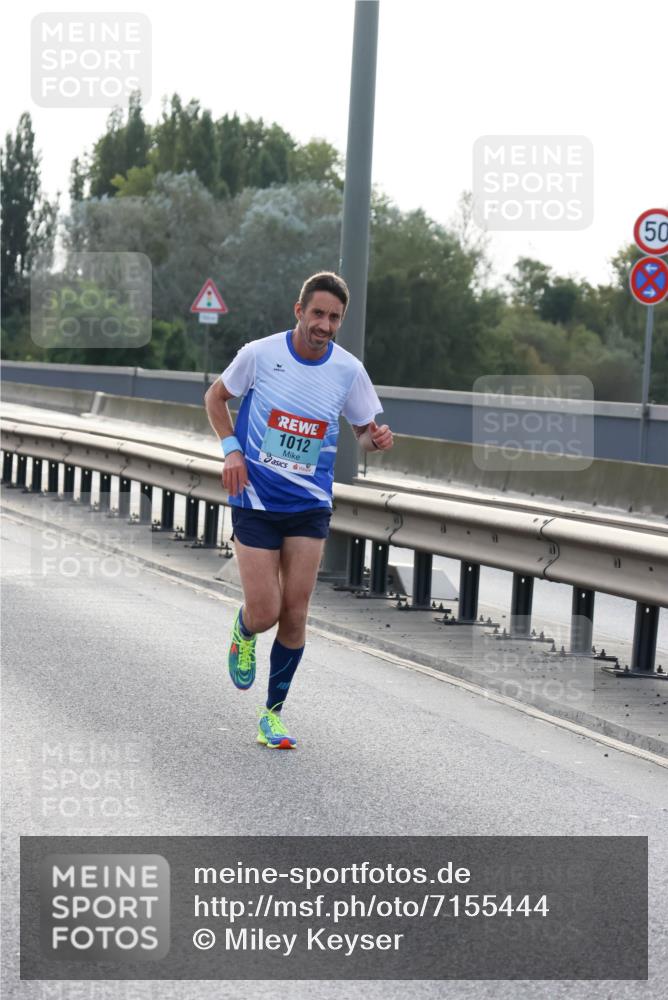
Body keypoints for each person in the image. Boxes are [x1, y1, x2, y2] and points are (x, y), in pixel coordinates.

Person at [204, 271, 393, 749]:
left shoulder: (348, 370)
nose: (324, 325)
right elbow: (215, 397)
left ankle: (273, 715)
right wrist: (231, 449)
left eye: (334, 317)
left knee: (296, 611)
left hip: (310, 504)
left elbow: (363, 434)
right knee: (266, 611)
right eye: (318, 314)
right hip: (256, 497)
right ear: (299, 311)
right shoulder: (260, 354)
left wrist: (378, 440)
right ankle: (244, 629)